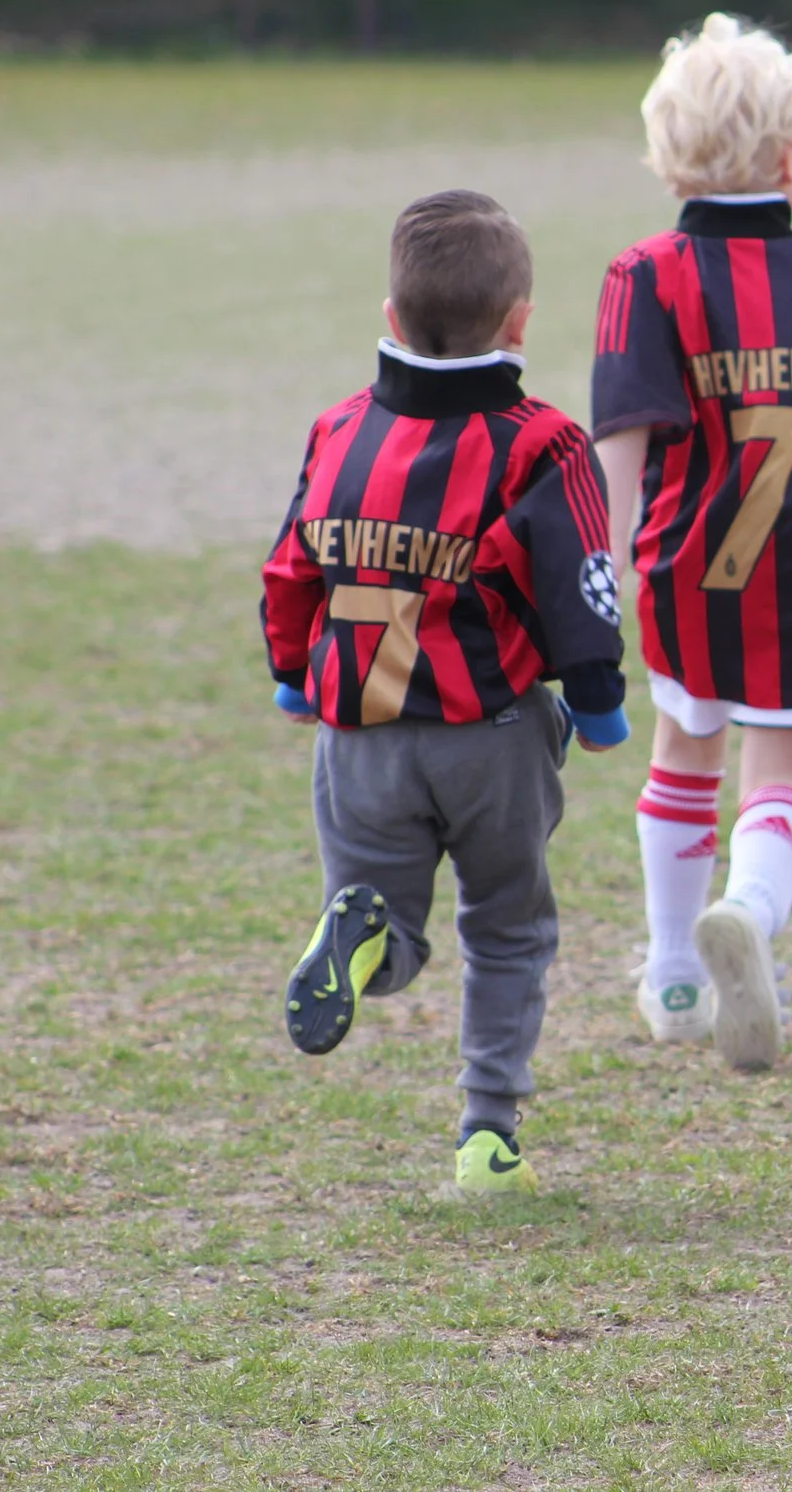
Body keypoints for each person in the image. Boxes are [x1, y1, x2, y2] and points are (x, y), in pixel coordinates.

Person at [262, 189, 630, 1195]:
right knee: (507, 926)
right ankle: (487, 1133)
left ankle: (365, 930)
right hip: (490, 735)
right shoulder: (542, 443)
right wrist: (598, 700)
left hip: (359, 737)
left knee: (398, 930)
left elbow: (290, 566)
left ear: (390, 319)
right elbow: (579, 579)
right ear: (520, 322)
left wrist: (295, 675)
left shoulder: (338, 429)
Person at [589, 14, 792, 1071]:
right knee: (781, 776)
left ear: (667, 155)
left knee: (682, 749)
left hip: (683, 569)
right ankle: (750, 911)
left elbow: (621, 449)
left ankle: (675, 973)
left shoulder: (643, 274)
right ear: (786, 155)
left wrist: (600, 568)